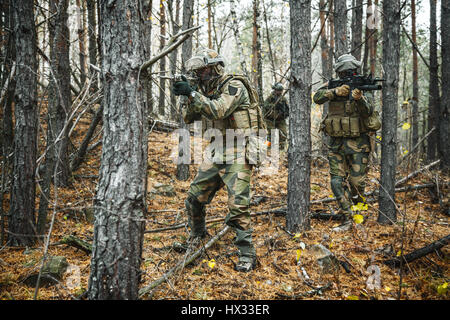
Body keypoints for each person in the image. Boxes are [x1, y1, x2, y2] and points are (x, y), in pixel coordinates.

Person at [172, 48, 265, 272]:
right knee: (194, 198)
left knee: (238, 205)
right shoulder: (204, 90)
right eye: (197, 71)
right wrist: (187, 95)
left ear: (214, 67)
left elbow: (219, 110)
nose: (200, 74)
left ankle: (247, 254)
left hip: (239, 150)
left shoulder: (233, 85)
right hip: (216, 149)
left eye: (202, 70)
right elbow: (188, 117)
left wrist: (194, 94)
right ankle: (198, 236)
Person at [313, 54, 375, 218]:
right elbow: (316, 97)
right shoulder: (333, 85)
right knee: (336, 183)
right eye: (344, 72)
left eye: (351, 71)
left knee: (357, 183)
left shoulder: (362, 86)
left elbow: (369, 111)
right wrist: (334, 92)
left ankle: (359, 212)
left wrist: (359, 99)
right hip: (336, 144)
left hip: (358, 144)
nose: (347, 74)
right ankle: (348, 215)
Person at [263, 82, 289, 151]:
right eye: (278, 90)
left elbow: (287, 110)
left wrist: (284, 113)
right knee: (270, 135)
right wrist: (273, 106)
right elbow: (265, 106)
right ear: (275, 90)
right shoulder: (270, 98)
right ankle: (267, 148)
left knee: (284, 134)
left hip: (280, 120)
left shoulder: (283, 99)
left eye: (281, 91)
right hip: (270, 120)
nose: (279, 92)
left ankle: (281, 149)